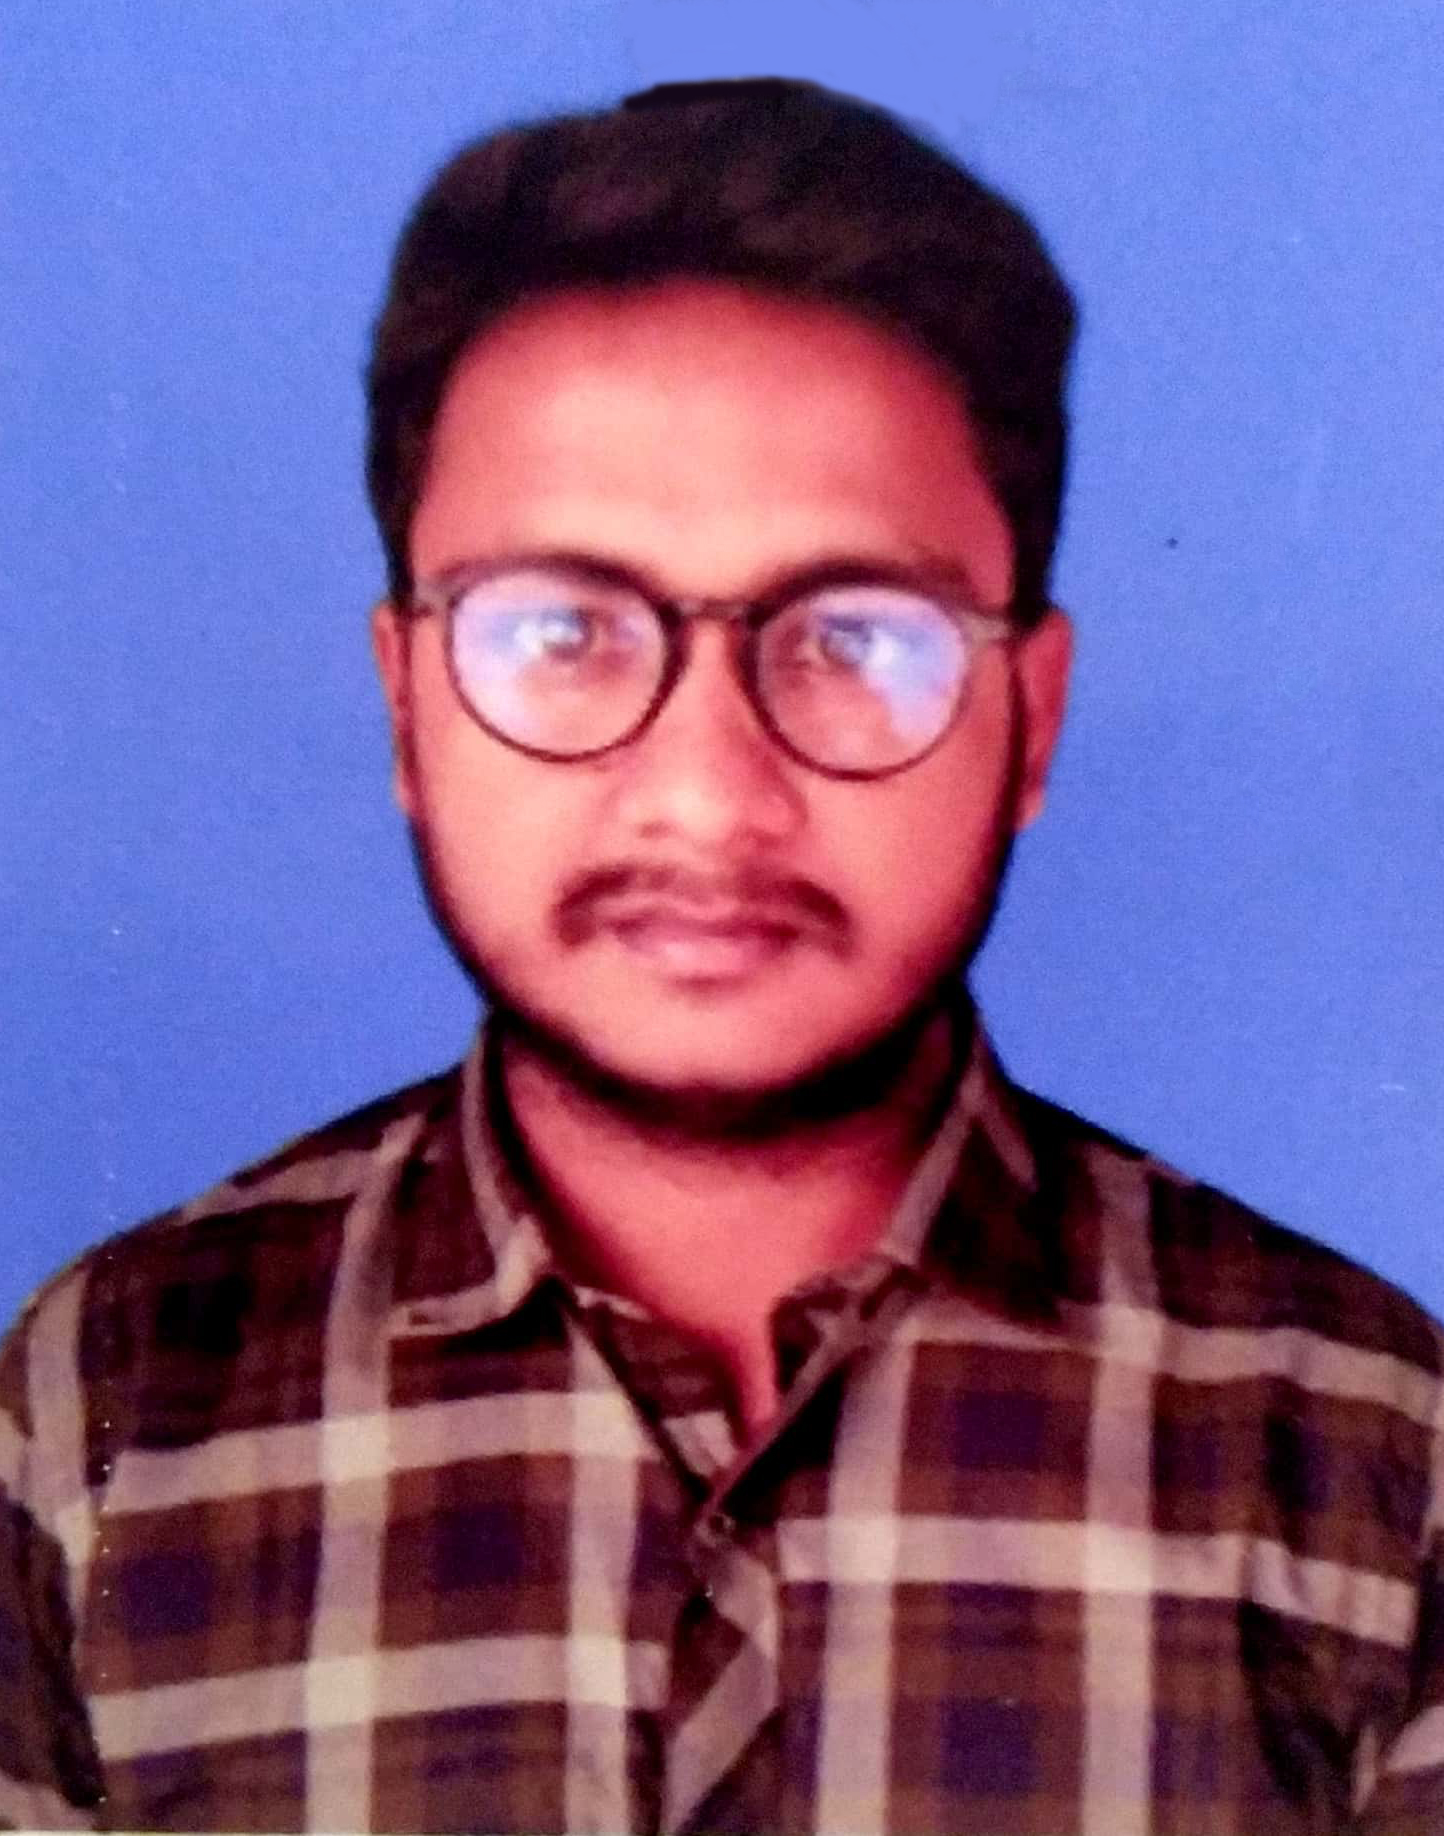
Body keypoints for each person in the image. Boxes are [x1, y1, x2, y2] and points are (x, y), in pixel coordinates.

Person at [1, 75, 1439, 1836]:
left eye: (855, 636)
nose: (706, 793)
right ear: (404, 701)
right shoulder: (97, 1425)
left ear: (1034, 715)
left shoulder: (1377, 1467)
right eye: (563, 630)